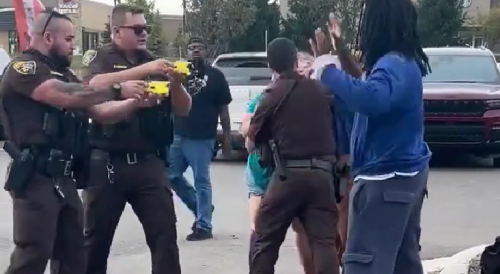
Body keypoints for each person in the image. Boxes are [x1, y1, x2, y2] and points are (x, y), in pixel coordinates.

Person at [0, 10, 146, 274]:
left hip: (64, 179)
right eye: (68, 39)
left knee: (73, 256)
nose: (73, 45)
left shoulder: (64, 73)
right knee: (33, 255)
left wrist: (134, 103)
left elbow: (99, 111)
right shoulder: (24, 68)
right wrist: (115, 88)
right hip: (35, 175)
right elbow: (62, 95)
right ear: (47, 37)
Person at [319, 2, 432, 273]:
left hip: (385, 180)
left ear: (377, 23)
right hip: (404, 176)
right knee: (402, 263)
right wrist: (342, 54)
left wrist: (326, 68)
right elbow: (368, 84)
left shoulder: (394, 65)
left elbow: (371, 99)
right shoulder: (401, 63)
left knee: (364, 264)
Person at [81, 4, 191, 274]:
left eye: (147, 28)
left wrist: (175, 82)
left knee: (165, 236)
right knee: (95, 241)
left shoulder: (153, 60)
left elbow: (184, 108)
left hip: (148, 162)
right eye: (138, 28)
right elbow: (91, 84)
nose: (144, 34)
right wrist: (137, 75)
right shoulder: (101, 56)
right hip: (108, 162)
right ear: (117, 32)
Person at [247, 37, 340, 274]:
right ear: (294, 60)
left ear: (271, 65)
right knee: (323, 242)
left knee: (264, 238)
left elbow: (252, 141)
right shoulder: (319, 90)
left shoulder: (273, 93)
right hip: (323, 175)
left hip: (288, 174)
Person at [168, 37, 232, 241]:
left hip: (202, 137)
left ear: (206, 51)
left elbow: (224, 109)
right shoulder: (178, 75)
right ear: (186, 51)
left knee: (201, 180)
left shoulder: (216, 76)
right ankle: (201, 206)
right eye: (192, 48)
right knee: (172, 176)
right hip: (178, 135)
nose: (195, 51)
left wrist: (227, 138)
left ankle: (204, 225)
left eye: (200, 48)